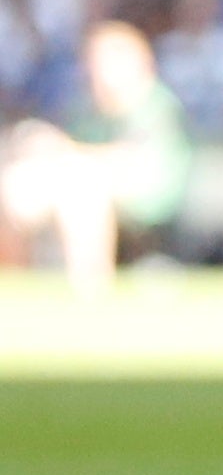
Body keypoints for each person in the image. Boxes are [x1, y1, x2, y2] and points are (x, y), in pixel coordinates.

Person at [1, 21, 193, 290]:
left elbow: (131, 161)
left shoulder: (155, 104)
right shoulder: (87, 107)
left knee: (82, 187)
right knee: (17, 184)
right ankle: (13, 284)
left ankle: (91, 286)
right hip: (83, 176)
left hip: (148, 195)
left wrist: (66, 152)